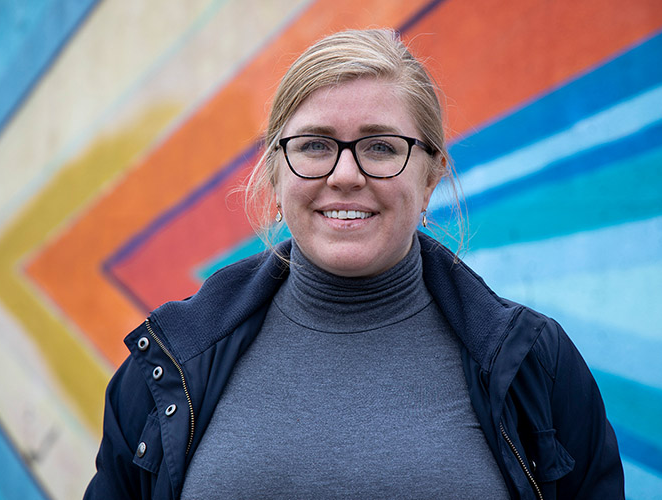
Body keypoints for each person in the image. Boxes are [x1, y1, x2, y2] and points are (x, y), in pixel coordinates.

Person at [85, 29, 624, 499]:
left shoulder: (534, 363)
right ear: (275, 171)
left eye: (382, 147)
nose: (345, 175)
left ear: (431, 175)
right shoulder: (168, 362)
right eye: (316, 145)